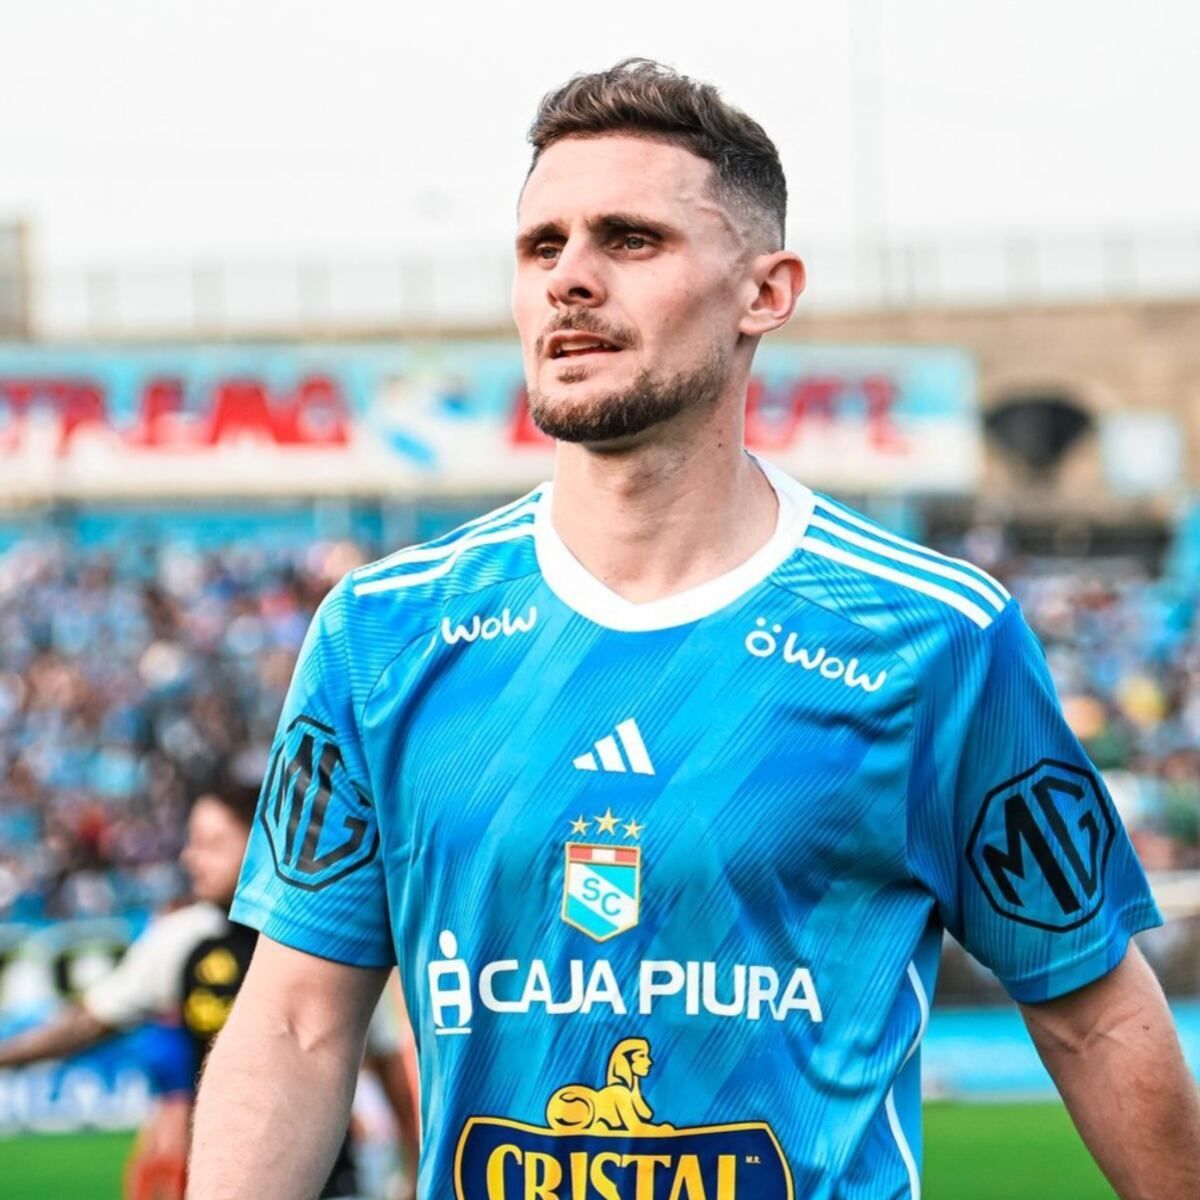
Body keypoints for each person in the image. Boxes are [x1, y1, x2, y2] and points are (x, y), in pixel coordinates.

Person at [189, 59, 1200, 1200]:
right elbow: (295, 1027)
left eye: (629, 240)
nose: (570, 278)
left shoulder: (935, 639)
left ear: (765, 291)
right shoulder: (382, 635)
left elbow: (1095, 1016)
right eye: (542, 246)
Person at [0, 783, 418, 1199]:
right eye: (191, 843)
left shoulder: (331, 940)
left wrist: (414, 1167)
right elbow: (87, 1023)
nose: (190, 857)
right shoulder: (179, 938)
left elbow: (386, 1066)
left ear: (263, 839)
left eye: (211, 843)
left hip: (334, 1183)